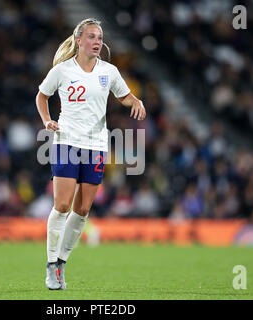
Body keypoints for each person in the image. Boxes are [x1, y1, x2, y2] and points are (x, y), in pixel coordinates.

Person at [36, 18, 146, 290]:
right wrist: (46, 120)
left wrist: (136, 100)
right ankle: (50, 264)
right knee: (62, 205)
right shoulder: (62, 71)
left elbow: (124, 96)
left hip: (96, 146)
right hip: (67, 142)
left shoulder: (109, 71)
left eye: (100, 37)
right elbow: (42, 96)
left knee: (83, 209)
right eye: (92, 37)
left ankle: (62, 262)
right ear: (79, 40)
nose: (97, 42)